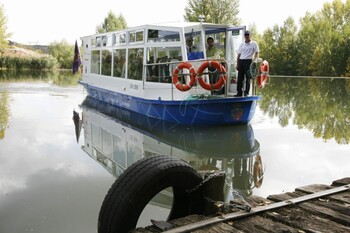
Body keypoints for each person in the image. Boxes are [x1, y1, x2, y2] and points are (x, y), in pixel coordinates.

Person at [235, 30, 259, 97]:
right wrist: (237, 64)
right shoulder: (242, 44)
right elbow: (238, 55)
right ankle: (239, 92)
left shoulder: (254, 43)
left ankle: (246, 92)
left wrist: (255, 60)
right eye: (245, 35)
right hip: (241, 61)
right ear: (244, 36)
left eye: (248, 35)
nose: (247, 36)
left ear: (250, 36)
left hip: (249, 61)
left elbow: (257, 53)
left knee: (248, 78)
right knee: (240, 78)